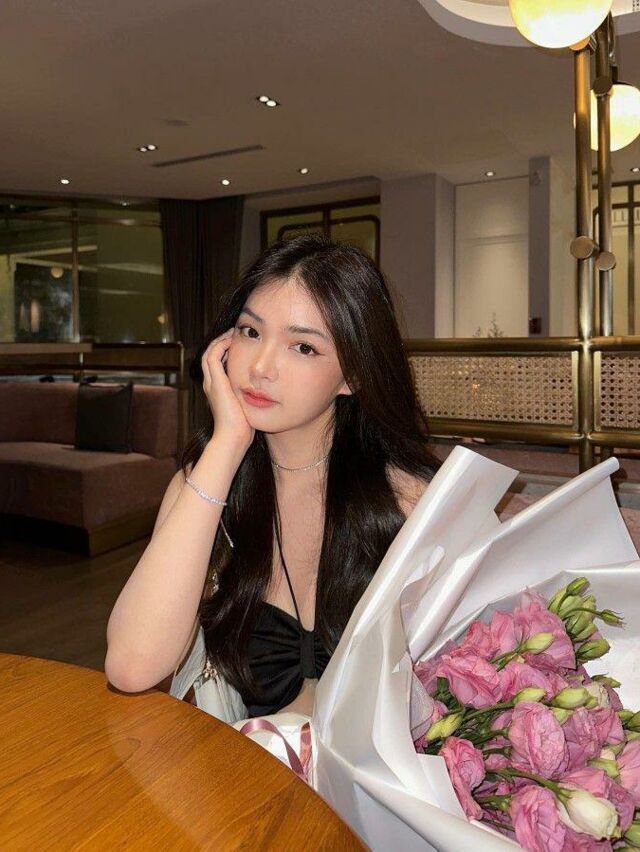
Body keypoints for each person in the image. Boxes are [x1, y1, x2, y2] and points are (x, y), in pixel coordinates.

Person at [105, 234, 440, 717]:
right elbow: (132, 666)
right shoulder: (203, 487)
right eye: (250, 331)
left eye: (303, 347)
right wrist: (227, 445)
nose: (261, 367)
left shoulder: (409, 502)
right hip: (240, 763)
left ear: (354, 375)